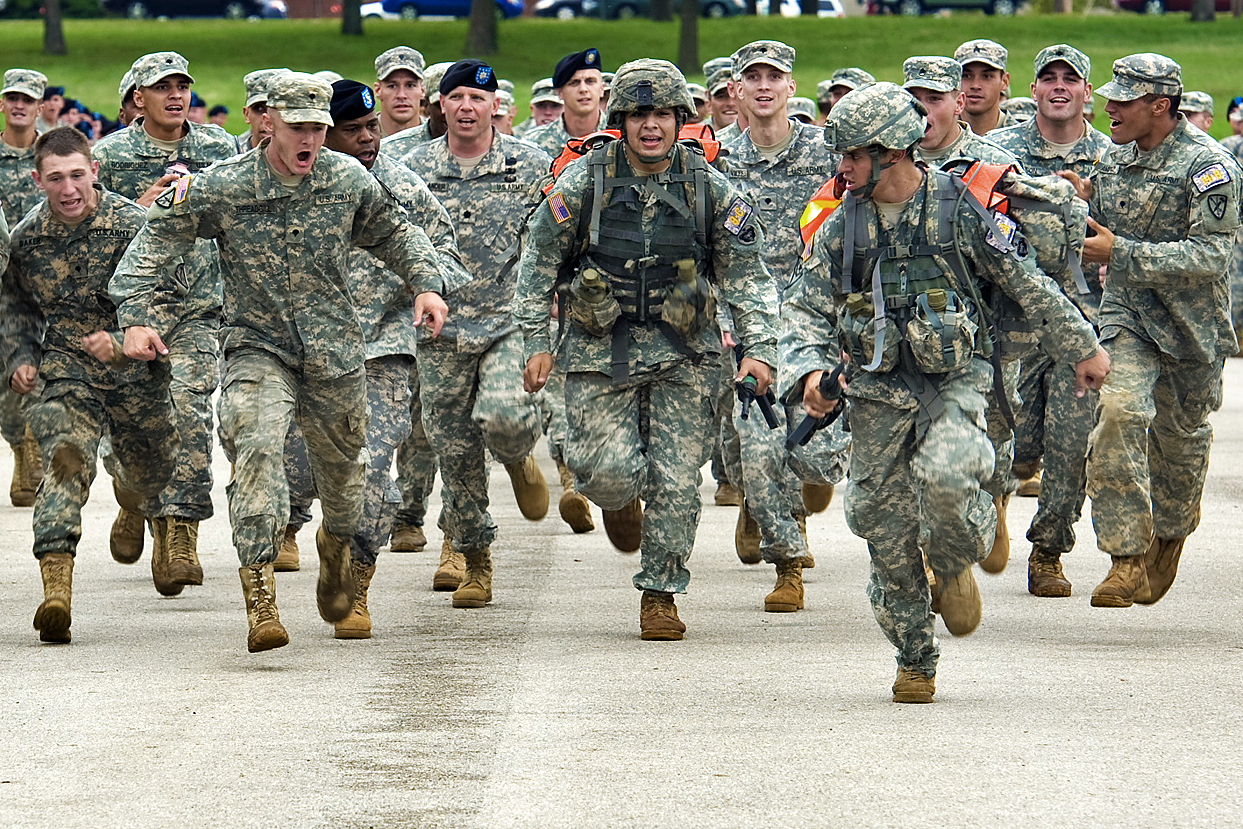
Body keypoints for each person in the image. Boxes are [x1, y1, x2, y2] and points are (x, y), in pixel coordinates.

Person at [783, 82, 1108, 703]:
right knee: (882, 526)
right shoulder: (841, 226)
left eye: (852, 155)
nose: (841, 167)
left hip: (957, 381)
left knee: (948, 472)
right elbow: (802, 309)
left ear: (893, 152)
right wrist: (808, 375)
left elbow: (1024, 280)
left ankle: (960, 550)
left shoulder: (958, 209)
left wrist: (1081, 346)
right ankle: (914, 657)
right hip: (876, 393)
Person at [109, 73, 451, 653]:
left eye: (319, 129)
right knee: (257, 447)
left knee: (346, 481)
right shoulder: (224, 185)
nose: (309, 141)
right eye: (298, 128)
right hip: (256, 346)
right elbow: (156, 239)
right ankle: (261, 594)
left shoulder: (346, 180)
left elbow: (396, 232)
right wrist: (135, 313)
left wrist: (426, 285)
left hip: (335, 354)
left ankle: (335, 547)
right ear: (270, 123)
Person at [514, 59, 779, 640]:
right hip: (596, 349)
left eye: (662, 113)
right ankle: (618, 500)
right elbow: (536, 265)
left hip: (685, 352)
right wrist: (537, 343)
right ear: (621, 119)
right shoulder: (585, 181)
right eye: (639, 114)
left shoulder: (708, 184)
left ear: (681, 118)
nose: (651, 126)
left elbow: (747, 274)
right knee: (604, 474)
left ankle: (660, 592)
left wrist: (758, 350)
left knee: (678, 478)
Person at [280, 79, 465, 637]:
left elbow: (445, 253)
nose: (367, 139)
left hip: (381, 352)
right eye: (352, 130)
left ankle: (356, 582)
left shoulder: (399, 187)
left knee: (374, 473)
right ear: (319, 133)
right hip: (300, 354)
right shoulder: (279, 185)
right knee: (293, 472)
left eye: (372, 127)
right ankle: (307, 535)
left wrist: (423, 288)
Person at [1062, 54, 1241, 608]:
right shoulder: (1115, 159)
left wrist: (1123, 252)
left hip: (1192, 329)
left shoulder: (1209, 168)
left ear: (1160, 106)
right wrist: (1082, 195)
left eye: (1123, 99)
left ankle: (1168, 537)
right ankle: (1125, 557)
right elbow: (1112, 205)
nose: (1107, 106)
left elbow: (1212, 256)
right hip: (1128, 316)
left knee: (1179, 449)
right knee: (1117, 414)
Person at [1, 127, 179, 645]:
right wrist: (20, 357)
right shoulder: (28, 240)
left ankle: (133, 500)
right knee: (66, 461)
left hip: (135, 372)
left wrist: (127, 339)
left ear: (94, 172)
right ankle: (56, 592)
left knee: (149, 470)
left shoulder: (134, 225)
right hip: (66, 369)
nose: (68, 188)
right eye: (55, 178)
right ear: (38, 180)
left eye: (77, 174)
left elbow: (176, 293)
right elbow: (15, 307)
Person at [401, 60, 551, 607]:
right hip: (438, 331)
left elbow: (553, 243)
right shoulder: (408, 167)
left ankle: (516, 455)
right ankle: (476, 559)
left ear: (496, 107)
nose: (467, 107)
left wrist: (546, 324)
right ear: (440, 105)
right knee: (455, 452)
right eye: (456, 96)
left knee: (506, 417)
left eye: (478, 97)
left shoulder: (532, 166)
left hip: (507, 319)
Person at [93, 51, 237, 597]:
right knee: (130, 430)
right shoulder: (110, 154)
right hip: (131, 312)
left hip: (199, 309)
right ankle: (132, 499)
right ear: (137, 98)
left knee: (188, 412)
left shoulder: (217, 148)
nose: (176, 96)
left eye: (183, 86)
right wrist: (141, 206)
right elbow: (95, 228)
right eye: (162, 87)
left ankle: (179, 535)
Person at [721, 40, 845, 612]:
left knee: (818, 455)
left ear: (792, 88)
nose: (765, 86)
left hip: (819, 321)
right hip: (751, 324)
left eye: (776, 76)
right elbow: (705, 247)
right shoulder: (717, 160)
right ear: (736, 92)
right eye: (754, 77)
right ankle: (788, 562)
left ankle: (785, 494)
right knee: (758, 443)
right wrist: (722, 316)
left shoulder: (828, 154)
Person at [989, 44, 1112, 598]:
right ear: (1032, 90)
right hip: (1011, 323)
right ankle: (988, 508)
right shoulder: (998, 153)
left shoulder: (1111, 159)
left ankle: (1048, 551)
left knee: (1070, 443)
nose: (1059, 87)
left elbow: (1122, 237)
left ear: (1087, 92)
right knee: (1006, 440)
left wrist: (1091, 206)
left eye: (1071, 79)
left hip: (1079, 321)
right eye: (1049, 79)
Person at [902, 55, 1025, 576]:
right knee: (918, 442)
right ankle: (936, 556)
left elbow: (1019, 257)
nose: (924, 110)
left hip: (988, 328)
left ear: (958, 102)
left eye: (934, 99)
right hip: (911, 329)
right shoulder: (886, 160)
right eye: (915, 99)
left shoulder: (993, 165)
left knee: (994, 432)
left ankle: (992, 499)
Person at [0, 68, 50, 509]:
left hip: (46, 272)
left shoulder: (53, 154)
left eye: (27, 99)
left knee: (45, 361)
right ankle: (21, 443)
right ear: (2, 103)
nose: (19, 105)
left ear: (39, 106)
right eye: (12, 97)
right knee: (7, 371)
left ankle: (36, 445)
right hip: (2, 280)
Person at [525, 49, 606, 157]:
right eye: (574, 83)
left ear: (602, 89)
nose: (583, 89)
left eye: (590, 81)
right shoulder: (535, 143)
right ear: (559, 93)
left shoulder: (621, 138)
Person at [380, 62, 450, 159]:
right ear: (426, 105)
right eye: (439, 105)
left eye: (410, 85)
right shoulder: (387, 152)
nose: (401, 95)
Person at [955, 39, 1014, 135]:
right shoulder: (936, 137)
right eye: (966, 76)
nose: (975, 85)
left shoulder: (1024, 140)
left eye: (986, 77)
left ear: (1004, 82)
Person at [236, 68, 290, 154]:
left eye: (277, 108)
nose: (267, 118)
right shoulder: (232, 157)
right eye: (259, 109)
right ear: (246, 114)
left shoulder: (309, 160)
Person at [375, 46, 425, 138]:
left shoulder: (440, 137)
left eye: (410, 86)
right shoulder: (363, 138)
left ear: (422, 90)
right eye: (392, 86)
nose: (401, 95)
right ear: (378, 90)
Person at [703, 57, 738, 135]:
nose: (731, 103)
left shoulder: (765, 137)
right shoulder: (694, 138)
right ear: (708, 102)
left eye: (736, 96)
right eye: (721, 96)